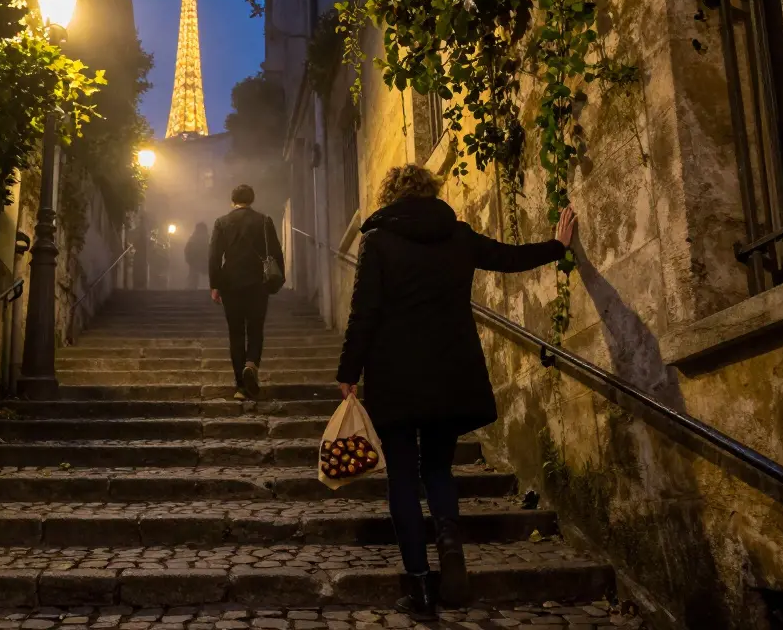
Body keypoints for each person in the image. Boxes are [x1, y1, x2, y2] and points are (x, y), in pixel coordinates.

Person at [335, 164, 577, 620]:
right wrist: (557, 246)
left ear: (390, 197)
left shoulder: (378, 241)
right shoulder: (458, 235)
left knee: (403, 476)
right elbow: (507, 258)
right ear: (431, 193)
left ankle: (420, 586)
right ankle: (450, 549)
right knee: (439, 470)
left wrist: (349, 371)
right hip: (450, 369)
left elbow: (363, 313)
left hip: (396, 374)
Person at [209, 184, 284, 399]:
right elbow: (276, 252)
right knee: (255, 329)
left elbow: (214, 256)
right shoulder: (264, 221)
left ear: (233, 200)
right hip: (257, 284)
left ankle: (241, 387)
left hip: (231, 284)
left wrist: (215, 284)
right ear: (252, 199)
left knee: (235, 332)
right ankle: (251, 364)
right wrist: (277, 281)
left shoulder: (222, 223)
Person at [184, 222, 211, 290]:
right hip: (196, 261)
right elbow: (188, 250)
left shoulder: (206, 238)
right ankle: (192, 287)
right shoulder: (194, 239)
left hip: (204, 261)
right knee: (193, 274)